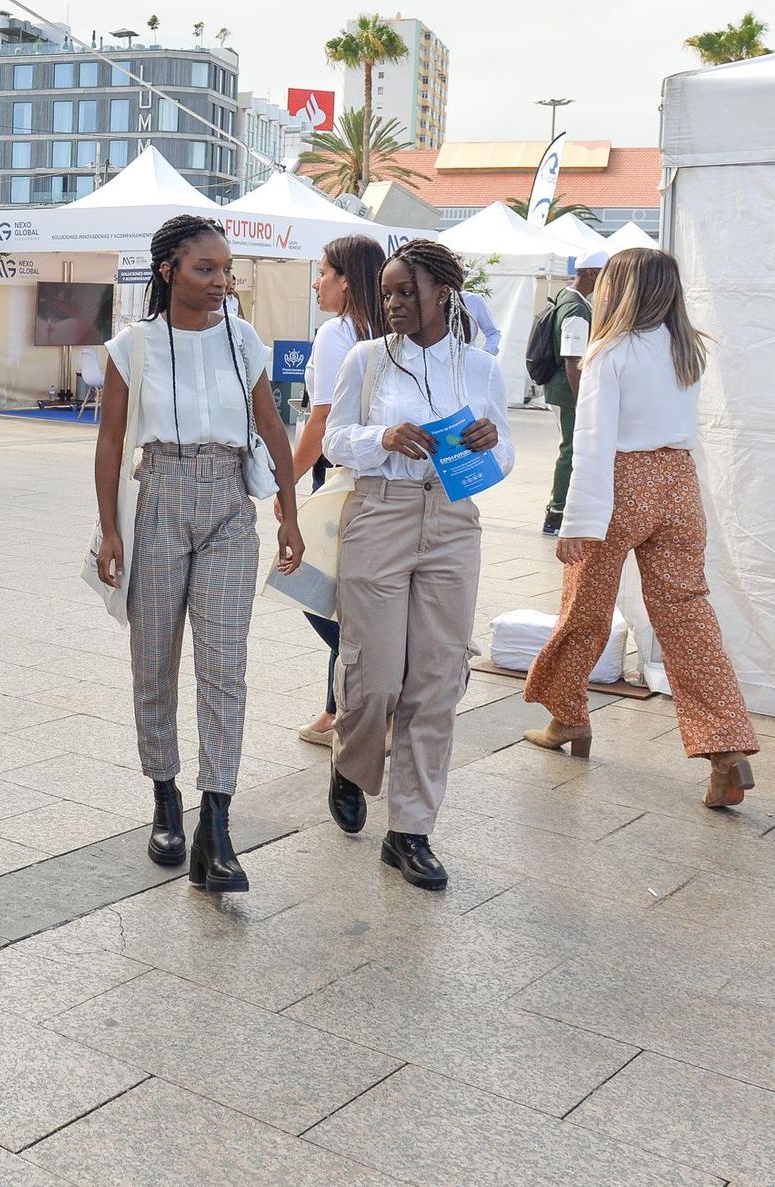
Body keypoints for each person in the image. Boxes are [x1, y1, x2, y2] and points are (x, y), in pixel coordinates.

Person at [95, 215, 304, 895]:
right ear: (168, 271)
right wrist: (111, 530)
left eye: (226, 268)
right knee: (153, 661)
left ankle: (216, 822)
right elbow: (110, 441)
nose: (222, 281)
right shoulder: (135, 347)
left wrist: (290, 513)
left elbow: (272, 425)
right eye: (206, 269)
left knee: (224, 666)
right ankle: (164, 795)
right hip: (158, 493)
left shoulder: (244, 341)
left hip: (227, 506)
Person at [522, 249, 758, 808]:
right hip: (678, 482)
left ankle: (568, 717)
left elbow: (594, 441)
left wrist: (575, 521)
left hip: (621, 483)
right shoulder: (687, 349)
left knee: (585, 607)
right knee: (688, 614)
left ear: (619, 289)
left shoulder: (610, 352)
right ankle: (725, 750)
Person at [325, 239, 514, 891]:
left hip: (453, 520)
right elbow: (333, 437)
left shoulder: (481, 367)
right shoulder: (366, 359)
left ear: (443, 294)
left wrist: (495, 443)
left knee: (438, 676)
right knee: (374, 672)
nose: (395, 303)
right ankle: (351, 762)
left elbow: (504, 450)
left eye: (408, 291)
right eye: (388, 292)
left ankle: (409, 831)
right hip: (380, 510)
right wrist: (382, 437)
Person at [287, 235, 388, 748]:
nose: (316, 282)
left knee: (314, 590)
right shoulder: (391, 329)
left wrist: (284, 479)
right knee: (351, 591)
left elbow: (322, 418)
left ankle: (374, 696)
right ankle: (335, 710)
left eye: (323, 273)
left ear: (346, 280)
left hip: (340, 475)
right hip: (381, 474)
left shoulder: (336, 333)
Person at [542, 251, 604, 536]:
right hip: (568, 391)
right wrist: (583, 401)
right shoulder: (576, 309)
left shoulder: (568, 299)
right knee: (571, 450)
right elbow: (571, 359)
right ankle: (557, 511)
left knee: (570, 448)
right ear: (592, 273)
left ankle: (559, 507)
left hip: (563, 389)